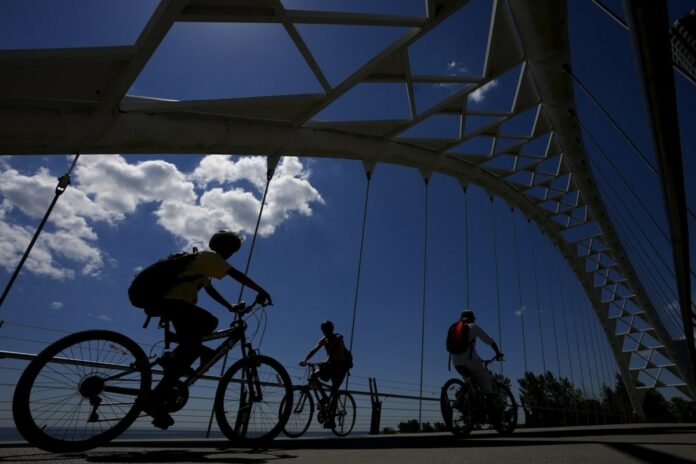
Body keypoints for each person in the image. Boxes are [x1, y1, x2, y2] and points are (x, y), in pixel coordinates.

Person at [139, 230, 272, 429]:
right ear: (225, 247)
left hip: (170, 303)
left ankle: (160, 392)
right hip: (174, 303)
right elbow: (235, 274)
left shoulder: (200, 265)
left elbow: (210, 290)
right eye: (232, 250)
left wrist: (230, 306)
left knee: (187, 351)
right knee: (208, 323)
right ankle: (170, 376)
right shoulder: (209, 257)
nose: (231, 255)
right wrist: (260, 290)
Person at [450, 309, 504, 420]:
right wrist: (498, 353)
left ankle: (464, 400)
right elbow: (490, 341)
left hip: (456, 362)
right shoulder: (473, 327)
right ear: (472, 319)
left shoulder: (454, 328)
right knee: (485, 379)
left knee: (470, 383)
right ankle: (492, 409)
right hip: (470, 361)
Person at [299, 320, 350, 428]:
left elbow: (335, 354)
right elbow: (314, 350)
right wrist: (305, 359)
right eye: (323, 329)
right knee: (313, 377)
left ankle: (331, 420)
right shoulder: (324, 340)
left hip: (341, 367)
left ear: (331, 329)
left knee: (334, 390)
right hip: (330, 366)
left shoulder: (338, 338)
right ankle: (325, 398)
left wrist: (325, 361)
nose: (325, 331)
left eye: (327, 329)